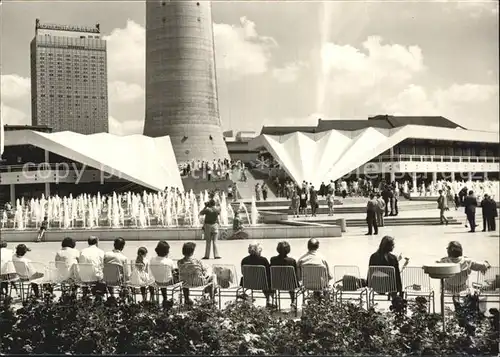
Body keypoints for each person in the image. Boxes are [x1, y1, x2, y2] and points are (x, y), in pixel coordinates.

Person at [241, 242, 274, 308]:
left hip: (248, 283)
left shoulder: (244, 260)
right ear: (259, 251)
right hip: (262, 283)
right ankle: (269, 300)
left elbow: (243, 272)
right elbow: (268, 272)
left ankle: (248, 299)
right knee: (269, 280)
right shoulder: (263, 260)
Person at [270, 241, 298, 308]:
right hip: (289, 285)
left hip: (276, 284)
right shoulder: (292, 261)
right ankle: (293, 301)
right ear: (288, 250)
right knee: (292, 281)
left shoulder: (273, 260)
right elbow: (295, 275)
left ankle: (273, 301)